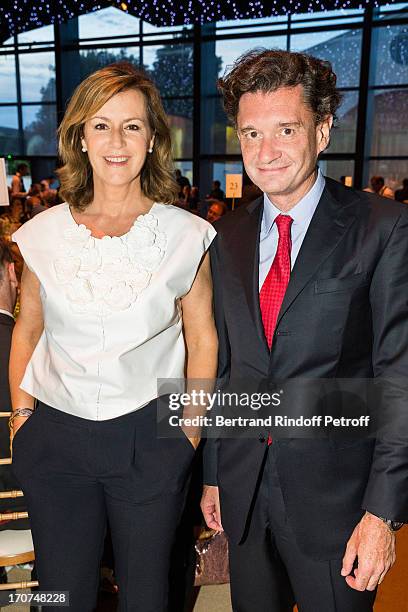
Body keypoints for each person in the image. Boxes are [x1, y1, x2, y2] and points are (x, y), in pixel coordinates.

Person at [201, 49, 408, 612]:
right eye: (250, 133)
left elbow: (400, 376)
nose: (265, 153)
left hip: (339, 503)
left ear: (321, 131)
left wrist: (382, 513)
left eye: (285, 129)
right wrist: (216, 473)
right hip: (245, 494)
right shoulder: (227, 237)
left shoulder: (381, 228)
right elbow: (228, 369)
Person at [10, 62, 217, 612]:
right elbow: (27, 328)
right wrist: (21, 418)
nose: (116, 141)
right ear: (80, 137)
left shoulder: (186, 235)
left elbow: (203, 338)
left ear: (152, 140)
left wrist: (187, 434)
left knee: (148, 592)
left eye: (132, 126)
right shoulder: (43, 234)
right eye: (100, 125)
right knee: (58, 590)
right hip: (53, 434)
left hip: (150, 434)